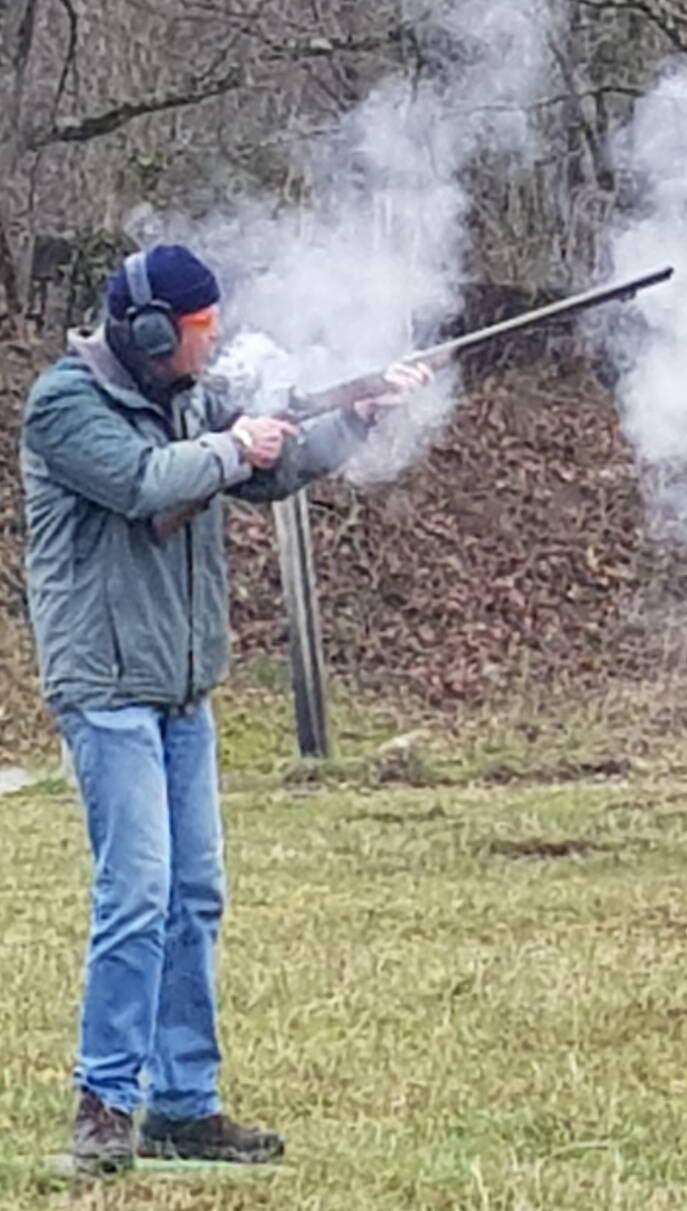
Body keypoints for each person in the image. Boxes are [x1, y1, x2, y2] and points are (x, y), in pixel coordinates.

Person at [21, 244, 431, 1176]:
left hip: (179, 686)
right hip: (106, 683)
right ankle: (103, 1104)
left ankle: (183, 1104)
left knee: (194, 895)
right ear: (148, 331)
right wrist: (234, 444)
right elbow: (143, 483)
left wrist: (354, 416)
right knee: (136, 895)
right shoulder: (64, 404)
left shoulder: (187, 399)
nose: (207, 344)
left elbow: (269, 471)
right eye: (196, 330)